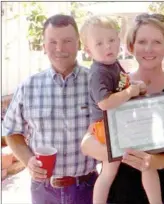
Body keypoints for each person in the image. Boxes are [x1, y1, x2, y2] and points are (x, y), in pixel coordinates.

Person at [81, 13, 164, 204]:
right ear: (131, 46)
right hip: (120, 190)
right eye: (142, 41)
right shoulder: (119, 85)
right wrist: (116, 151)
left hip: (163, 189)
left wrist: (156, 161)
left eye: (157, 42)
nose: (148, 49)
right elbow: (88, 141)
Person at [2, 14, 98, 204]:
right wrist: (28, 160)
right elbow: (12, 131)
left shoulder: (96, 83)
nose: (59, 48)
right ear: (44, 46)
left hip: (89, 188)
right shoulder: (29, 86)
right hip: (43, 190)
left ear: (78, 43)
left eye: (67, 41)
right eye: (52, 41)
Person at [79, 16, 162, 204]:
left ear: (118, 40)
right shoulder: (98, 72)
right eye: (99, 43)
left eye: (111, 40)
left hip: (117, 122)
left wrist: (134, 86)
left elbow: (122, 85)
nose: (107, 47)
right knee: (112, 171)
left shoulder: (113, 64)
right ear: (88, 50)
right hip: (105, 126)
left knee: (143, 164)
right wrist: (130, 92)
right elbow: (104, 102)